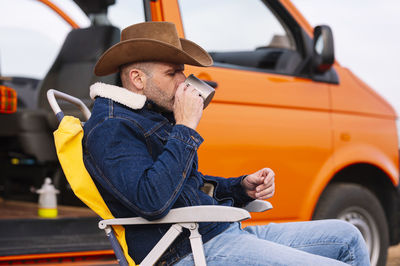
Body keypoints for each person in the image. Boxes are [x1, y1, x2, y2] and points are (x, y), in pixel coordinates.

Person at [82, 21, 370, 266]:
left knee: (347, 236)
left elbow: (185, 187)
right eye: (172, 73)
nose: (184, 81)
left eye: (182, 71)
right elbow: (151, 199)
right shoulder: (111, 127)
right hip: (186, 250)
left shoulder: (149, 115)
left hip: (219, 232)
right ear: (137, 79)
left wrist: (240, 186)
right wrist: (184, 127)